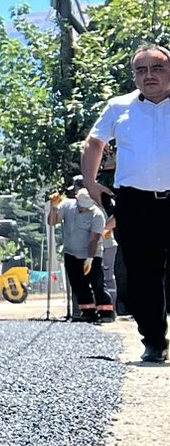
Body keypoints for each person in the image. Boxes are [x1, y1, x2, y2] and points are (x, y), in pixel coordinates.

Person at [82, 43, 170, 361]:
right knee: (142, 274)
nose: (149, 75)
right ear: (134, 76)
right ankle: (154, 341)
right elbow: (95, 143)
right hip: (136, 204)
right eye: (141, 70)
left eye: (157, 68)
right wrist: (91, 183)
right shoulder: (119, 107)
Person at [51, 177, 109, 322]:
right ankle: (88, 312)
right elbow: (52, 222)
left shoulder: (97, 214)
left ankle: (106, 313)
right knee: (78, 284)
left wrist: (89, 259)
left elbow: (94, 239)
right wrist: (54, 207)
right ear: (76, 200)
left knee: (97, 283)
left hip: (91, 253)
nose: (84, 208)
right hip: (71, 252)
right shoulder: (67, 206)